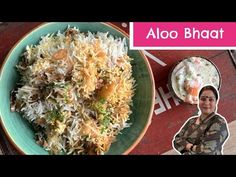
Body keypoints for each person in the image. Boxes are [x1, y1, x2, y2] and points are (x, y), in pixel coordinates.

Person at [173, 85, 229, 155]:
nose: (206, 103)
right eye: (203, 99)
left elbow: (207, 150)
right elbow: (177, 140)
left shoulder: (219, 122)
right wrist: (193, 147)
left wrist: (188, 146)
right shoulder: (191, 121)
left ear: (216, 102)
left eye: (211, 99)